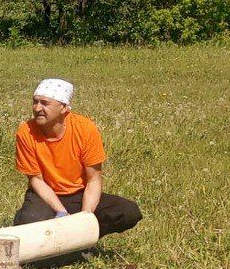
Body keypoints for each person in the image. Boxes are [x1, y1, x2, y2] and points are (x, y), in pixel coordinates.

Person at [12, 78, 142, 237]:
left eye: (45, 103)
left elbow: (94, 179)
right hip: (45, 195)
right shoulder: (26, 132)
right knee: (29, 223)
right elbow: (36, 180)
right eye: (35, 102)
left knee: (127, 211)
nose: (37, 108)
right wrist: (61, 211)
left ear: (64, 108)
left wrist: (84, 218)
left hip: (79, 194)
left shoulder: (85, 129)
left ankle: (82, 240)